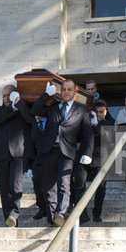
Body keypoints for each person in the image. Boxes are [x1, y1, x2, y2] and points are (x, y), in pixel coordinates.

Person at [31, 80, 94, 226]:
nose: (66, 92)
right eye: (64, 89)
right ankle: (54, 218)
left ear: (74, 92)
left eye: (69, 89)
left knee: (64, 184)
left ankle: (61, 212)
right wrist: (46, 94)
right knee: (48, 187)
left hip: (67, 153)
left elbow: (88, 134)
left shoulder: (81, 110)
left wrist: (87, 153)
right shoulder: (52, 107)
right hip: (49, 151)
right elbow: (34, 111)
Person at [0, 85, 35, 227]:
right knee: (4, 190)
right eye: (3, 96)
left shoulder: (23, 108)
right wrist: (12, 109)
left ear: (15, 94)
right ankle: (8, 219)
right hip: (2, 154)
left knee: (15, 186)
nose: (6, 98)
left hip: (18, 153)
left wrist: (19, 104)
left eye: (9, 95)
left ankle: (13, 214)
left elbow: (30, 119)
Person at [73, 100, 115, 224]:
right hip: (83, 157)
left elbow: (107, 138)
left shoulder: (110, 123)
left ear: (106, 112)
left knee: (101, 188)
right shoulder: (85, 121)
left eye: (101, 112)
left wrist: (96, 124)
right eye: (96, 112)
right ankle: (82, 215)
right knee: (79, 184)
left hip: (100, 158)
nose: (98, 114)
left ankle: (97, 213)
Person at [29, 107, 49, 220]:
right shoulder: (34, 124)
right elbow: (30, 143)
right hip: (37, 159)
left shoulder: (51, 120)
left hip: (51, 157)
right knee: (37, 185)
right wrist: (29, 165)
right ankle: (42, 208)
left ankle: (51, 209)